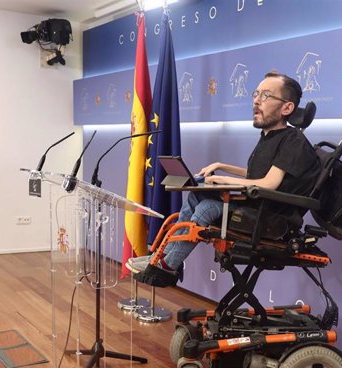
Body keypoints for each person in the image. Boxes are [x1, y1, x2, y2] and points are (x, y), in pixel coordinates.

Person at [127, 71, 321, 277]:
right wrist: (221, 166)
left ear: (287, 107)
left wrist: (224, 179)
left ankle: (167, 266)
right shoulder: (269, 137)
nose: (256, 100)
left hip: (272, 219)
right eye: (256, 94)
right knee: (196, 194)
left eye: (266, 96)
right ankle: (162, 257)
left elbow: (270, 183)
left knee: (207, 207)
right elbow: (257, 176)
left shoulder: (293, 140)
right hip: (257, 207)